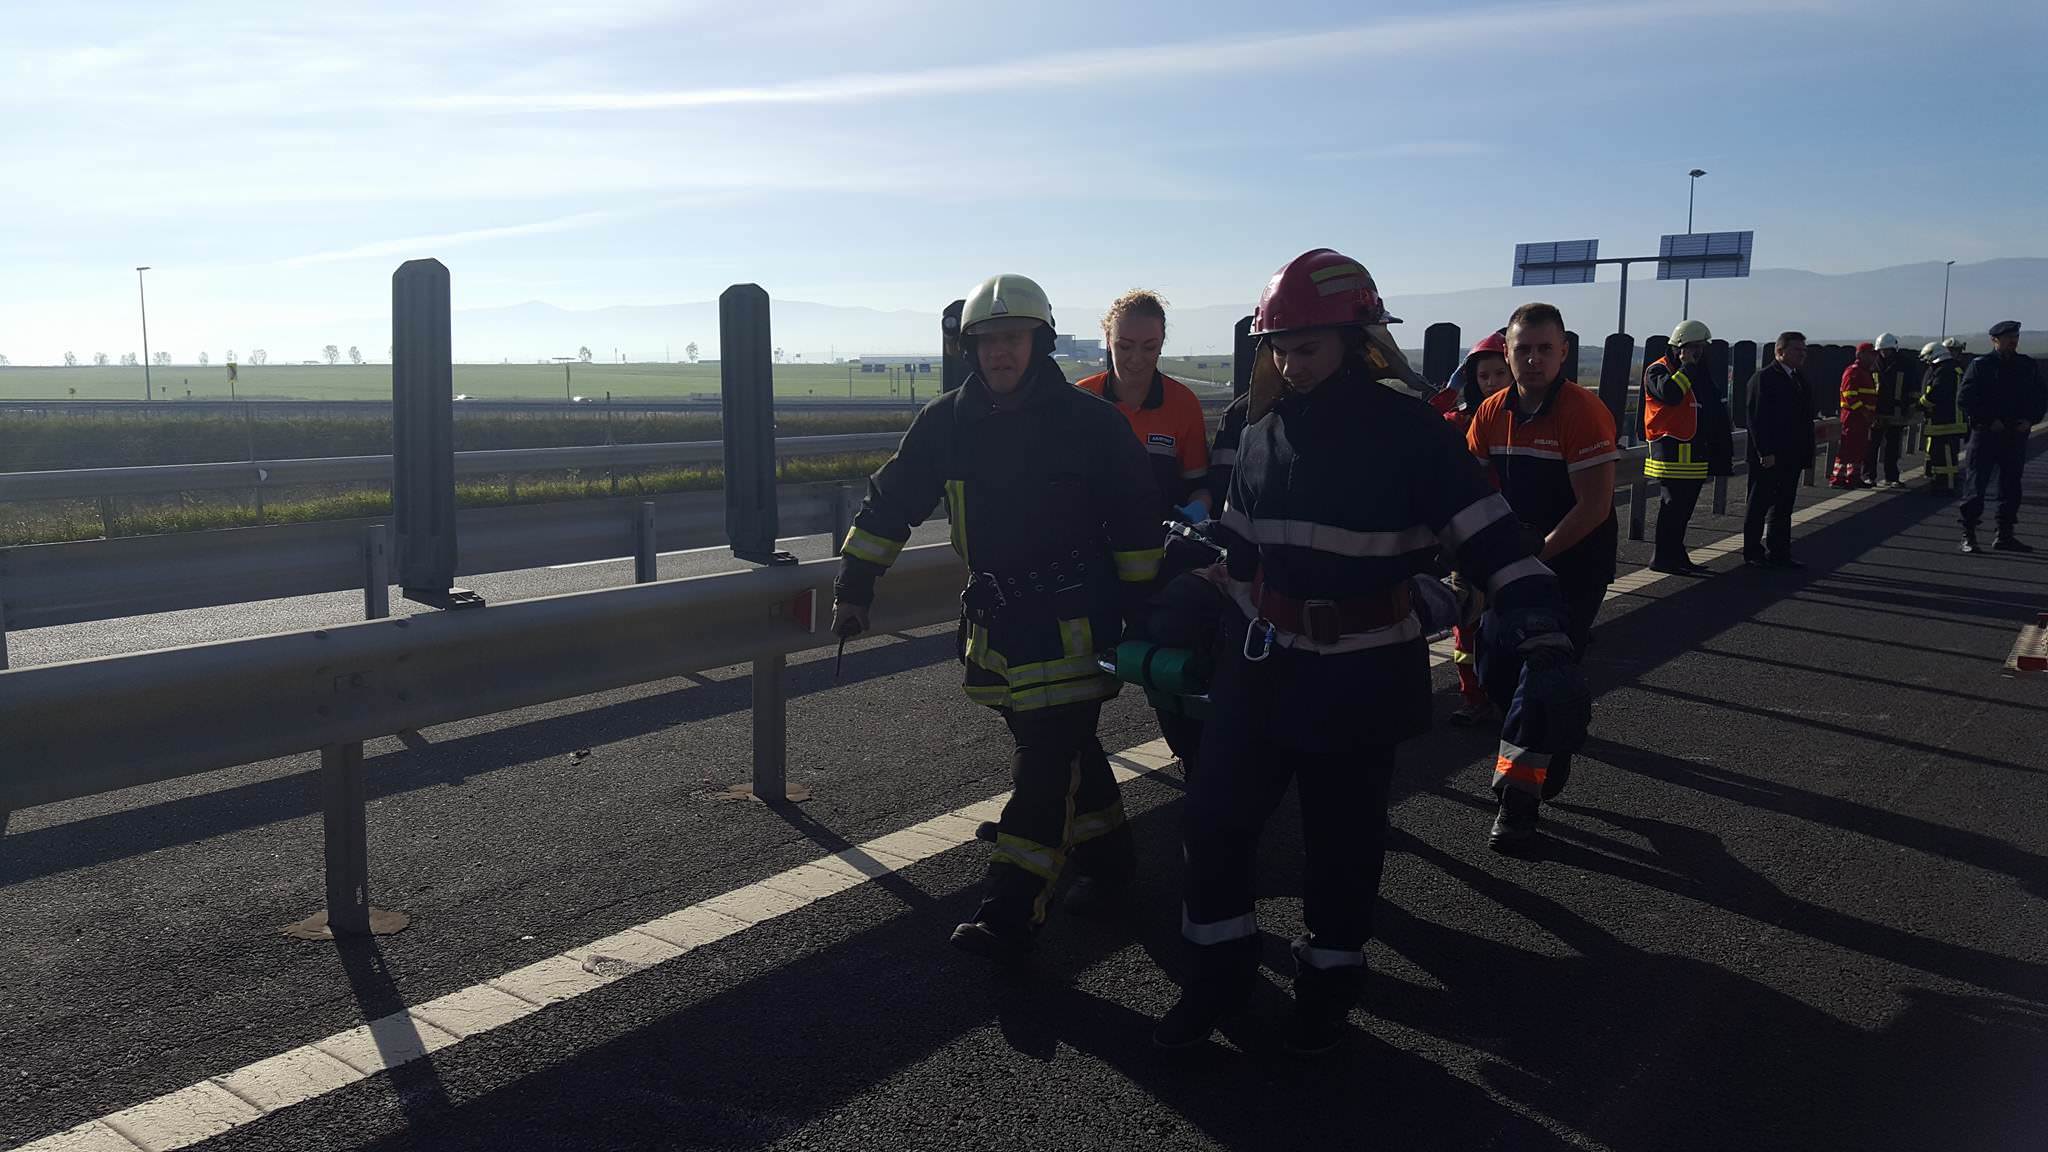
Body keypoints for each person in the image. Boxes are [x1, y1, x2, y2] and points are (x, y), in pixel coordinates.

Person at [1158, 250, 1588, 1055]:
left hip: (1360, 677)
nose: (1288, 364)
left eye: (1306, 348)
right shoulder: (1258, 437)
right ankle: (1216, 980)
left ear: (1357, 340)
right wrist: (1198, 573)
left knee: (1342, 850)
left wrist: (1545, 640)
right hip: (1263, 667)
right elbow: (1245, 552)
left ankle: (1326, 990)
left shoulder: (1413, 436)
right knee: (1214, 826)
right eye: (1277, 348)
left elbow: (1496, 543)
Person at [831, 272, 1163, 959]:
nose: (998, 353)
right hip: (997, 623)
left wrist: (1141, 611)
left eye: (1011, 338)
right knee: (1069, 753)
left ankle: (1010, 914)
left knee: (1043, 769)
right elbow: (893, 502)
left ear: (1038, 341)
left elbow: (1136, 524)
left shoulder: (1088, 424)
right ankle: (1110, 866)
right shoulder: (947, 421)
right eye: (985, 341)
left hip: (1075, 621)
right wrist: (856, 583)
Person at [1466, 302, 1619, 844]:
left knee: (1542, 680)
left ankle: (1517, 806)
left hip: (1573, 565)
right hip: (1513, 565)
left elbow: (1594, 507)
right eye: (1522, 349)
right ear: (1506, 354)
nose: (1533, 359)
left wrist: (1539, 557)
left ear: (1563, 353)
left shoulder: (1584, 412)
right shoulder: (1491, 414)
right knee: (1496, 675)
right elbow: (1471, 493)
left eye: (1544, 349)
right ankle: (1551, 738)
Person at [1074, 290, 1212, 523]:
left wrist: (1194, 512)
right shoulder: (1081, 398)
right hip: (1093, 544)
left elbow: (1199, 486)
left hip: (1162, 544)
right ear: (1108, 340)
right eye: (1125, 347)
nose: (1136, 359)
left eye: (1149, 347)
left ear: (1161, 344)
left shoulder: (1183, 403)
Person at [1439, 332, 1514, 726]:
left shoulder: (1525, 418)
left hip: (1511, 537)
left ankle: (1507, 697)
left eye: (1499, 373)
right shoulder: (1457, 420)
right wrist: (1448, 396)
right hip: (1468, 541)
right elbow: (1424, 431)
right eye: (1483, 375)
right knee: (1464, 622)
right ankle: (1474, 697)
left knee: (1507, 621)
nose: (1491, 382)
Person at [1641, 320, 1733, 574]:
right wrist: (1687, 366)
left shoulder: (1698, 372)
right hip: (1670, 452)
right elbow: (1670, 394)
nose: (1698, 353)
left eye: (1701, 349)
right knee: (1672, 508)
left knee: (1684, 510)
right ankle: (1662, 558)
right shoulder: (1657, 371)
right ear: (1679, 347)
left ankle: (1677, 555)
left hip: (1694, 452)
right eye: (1693, 348)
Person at [1957, 320, 2045, 553]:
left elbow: (2039, 397)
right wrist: (1988, 420)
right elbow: (1965, 399)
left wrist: (2030, 420)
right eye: (2008, 338)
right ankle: (1969, 535)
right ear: (1995, 340)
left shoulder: (2026, 366)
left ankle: (2005, 535)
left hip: (2014, 436)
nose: (2013, 341)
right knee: (1976, 486)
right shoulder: (1981, 366)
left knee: (2011, 487)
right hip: (1986, 435)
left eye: (2015, 337)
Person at [1743, 332, 1814, 568]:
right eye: (1797, 350)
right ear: (1780, 351)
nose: (1802, 355)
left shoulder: (1799, 378)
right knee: (1759, 505)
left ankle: (1779, 551)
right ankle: (1753, 552)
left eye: (1804, 351)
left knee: (1784, 505)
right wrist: (1765, 452)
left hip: (1791, 455)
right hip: (1770, 456)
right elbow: (1756, 419)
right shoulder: (1763, 378)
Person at [1867, 333, 1920, 488]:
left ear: (1894, 348)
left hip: (1897, 412)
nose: (1884, 353)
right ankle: (1869, 476)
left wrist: (1910, 408)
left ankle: (1892, 477)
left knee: (1893, 447)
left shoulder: (1906, 364)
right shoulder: (1874, 364)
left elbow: (1914, 389)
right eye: (1882, 350)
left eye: (1887, 350)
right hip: (1877, 412)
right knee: (1871, 446)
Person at [1918, 341, 1967, 495]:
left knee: (1944, 455)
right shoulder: (1951, 368)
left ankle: (1946, 485)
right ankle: (1942, 481)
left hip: (1945, 421)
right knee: (1942, 454)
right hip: (1948, 420)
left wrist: (1920, 404)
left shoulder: (1944, 371)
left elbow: (1936, 393)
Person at [1833, 343, 1880, 489]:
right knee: (1848, 448)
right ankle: (1838, 478)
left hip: (1862, 420)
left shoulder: (1866, 372)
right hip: (1853, 418)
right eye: (1871, 354)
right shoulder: (1853, 371)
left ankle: (1853, 477)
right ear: (1860, 355)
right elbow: (1849, 396)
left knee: (1858, 449)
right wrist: (1864, 412)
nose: (1874, 358)